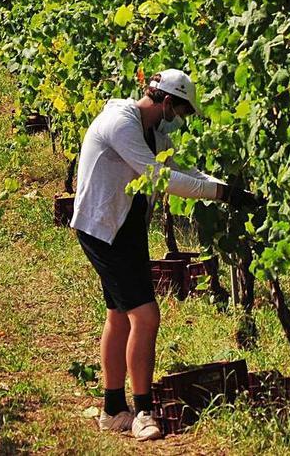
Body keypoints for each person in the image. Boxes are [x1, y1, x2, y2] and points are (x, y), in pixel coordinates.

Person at [71, 69, 245, 440]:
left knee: (119, 314)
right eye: (180, 111)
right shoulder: (121, 124)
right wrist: (221, 196)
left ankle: (114, 408)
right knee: (146, 316)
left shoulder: (155, 130)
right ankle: (143, 411)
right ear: (166, 102)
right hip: (103, 228)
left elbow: (179, 168)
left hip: (125, 226)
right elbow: (158, 177)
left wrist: (223, 186)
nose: (180, 120)